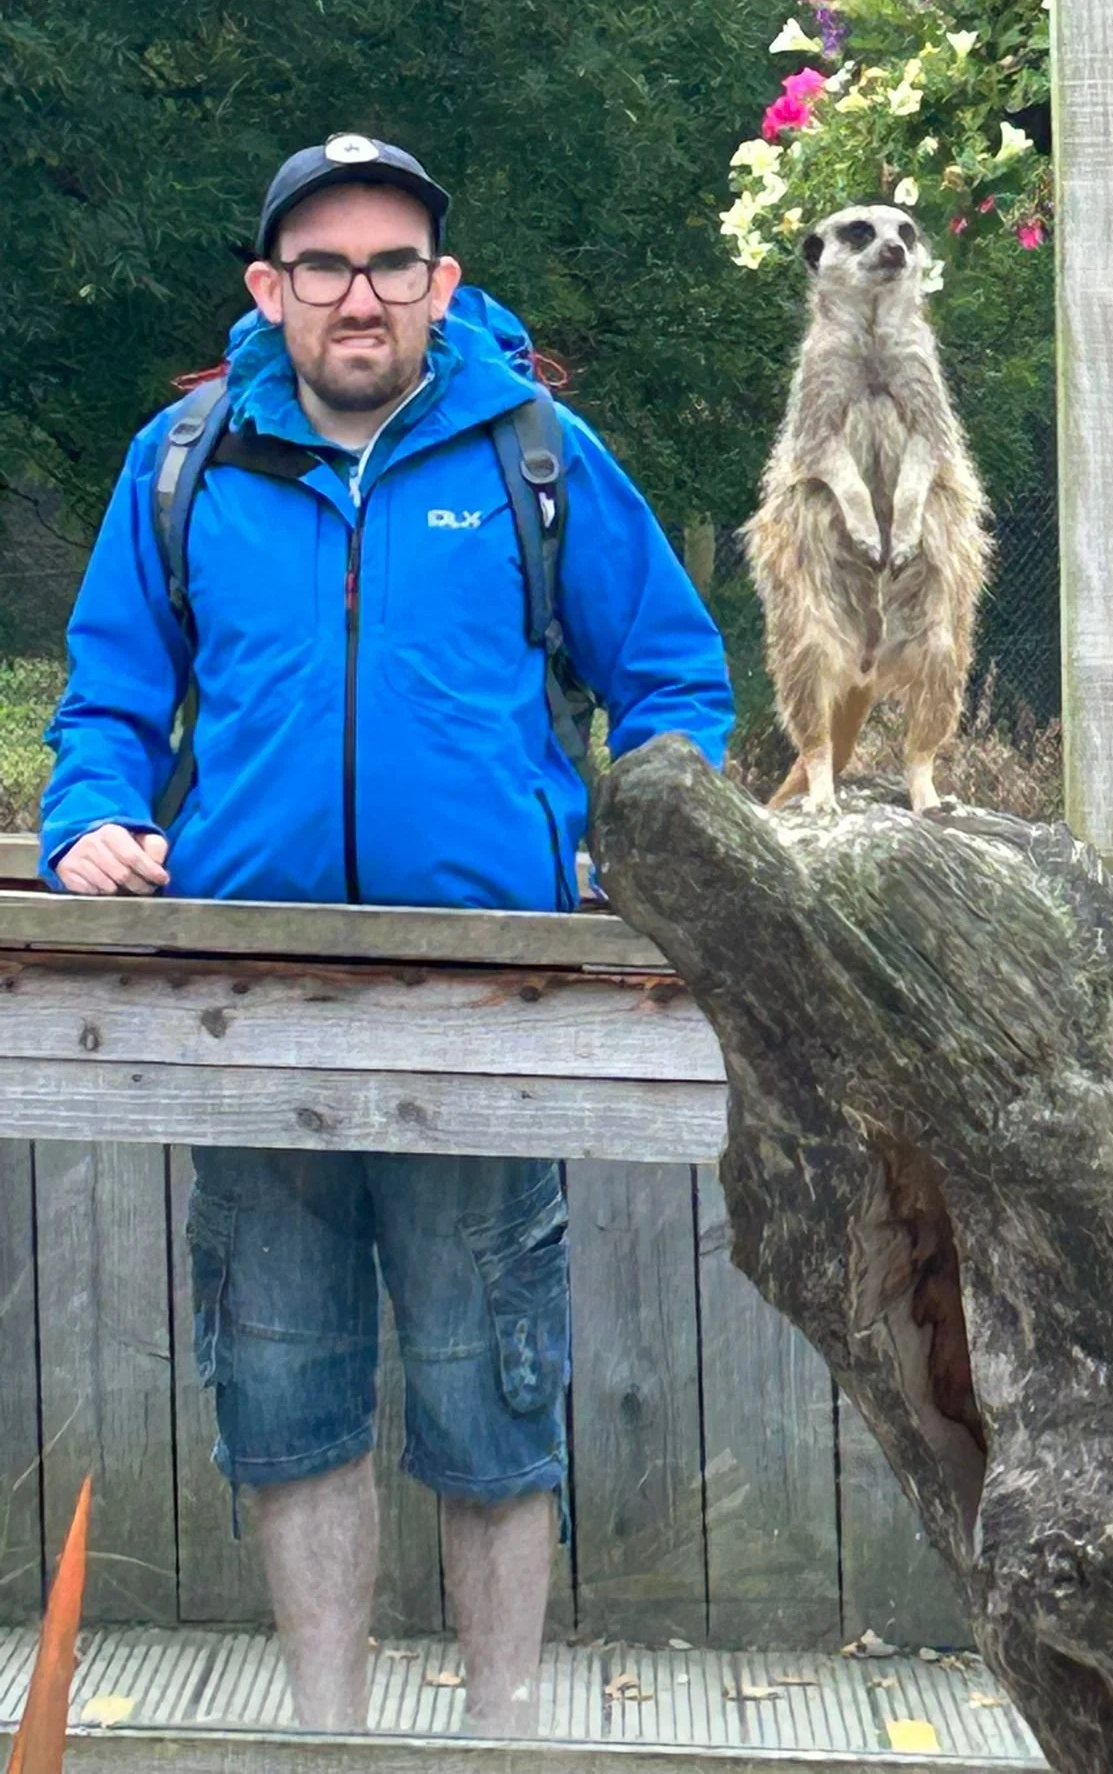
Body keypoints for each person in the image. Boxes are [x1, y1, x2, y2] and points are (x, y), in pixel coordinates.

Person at [39, 135, 734, 1736]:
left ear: (442, 284)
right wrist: (89, 818)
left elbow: (676, 682)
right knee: (285, 1396)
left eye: (392, 265)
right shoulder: (186, 461)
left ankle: (502, 1748)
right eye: (327, 266)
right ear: (269, 287)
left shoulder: (538, 455)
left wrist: (644, 835)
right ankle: (328, 1743)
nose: (361, 296)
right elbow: (111, 696)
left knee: (494, 1401)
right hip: (250, 1014)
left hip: (487, 1015)